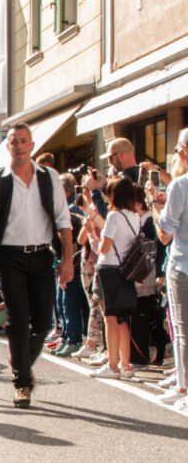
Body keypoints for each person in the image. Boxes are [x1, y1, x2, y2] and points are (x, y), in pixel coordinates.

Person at [0, 123, 73, 409]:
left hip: (42, 255)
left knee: (43, 322)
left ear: (31, 145)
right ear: (8, 146)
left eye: (23, 141)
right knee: (18, 318)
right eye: (13, 141)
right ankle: (22, 382)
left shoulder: (49, 177)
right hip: (9, 257)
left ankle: (21, 358)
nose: (18, 145)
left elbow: (63, 220)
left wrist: (67, 259)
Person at [149, 127, 188, 408]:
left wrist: (154, 203)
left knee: (183, 328)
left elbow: (164, 234)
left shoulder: (180, 185)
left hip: (183, 263)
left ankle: (184, 387)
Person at [88, 177, 139, 379]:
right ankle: (126, 365)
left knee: (110, 318)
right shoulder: (134, 216)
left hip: (108, 269)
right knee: (122, 320)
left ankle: (112, 365)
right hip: (126, 270)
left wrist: (94, 235)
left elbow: (104, 247)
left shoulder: (114, 217)